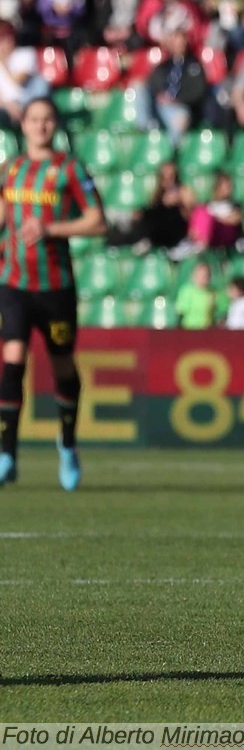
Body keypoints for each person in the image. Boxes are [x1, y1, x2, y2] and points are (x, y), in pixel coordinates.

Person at [0, 98, 107, 491]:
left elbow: (97, 221)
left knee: (63, 368)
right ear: (23, 124)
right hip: (13, 283)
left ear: (54, 125)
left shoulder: (70, 168)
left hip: (55, 286)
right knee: (12, 361)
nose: (40, 126)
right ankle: (7, 454)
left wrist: (50, 229)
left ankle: (67, 444)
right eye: (33, 119)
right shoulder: (10, 169)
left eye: (47, 120)